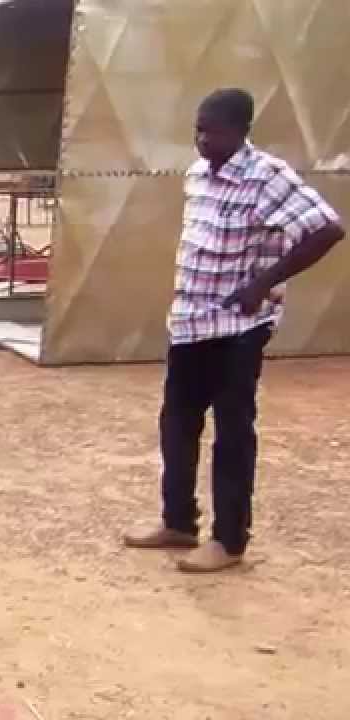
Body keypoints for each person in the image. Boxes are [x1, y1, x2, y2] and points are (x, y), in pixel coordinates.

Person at [123, 88, 345, 573]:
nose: (203, 140)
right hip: (190, 322)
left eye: (214, 131)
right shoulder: (197, 174)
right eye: (198, 130)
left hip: (239, 327)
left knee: (232, 432)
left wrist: (263, 283)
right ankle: (178, 522)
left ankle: (228, 541)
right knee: (177, 423)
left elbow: (328, 228)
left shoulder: (267, 176)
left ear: (242, 131)